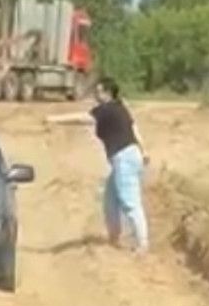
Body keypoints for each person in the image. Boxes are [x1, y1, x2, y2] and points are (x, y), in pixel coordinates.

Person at [45, 77, 149, 252]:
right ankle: (114, 239)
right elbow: (133, 128)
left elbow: (83, 119)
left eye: (99, 91)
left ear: (107, 93)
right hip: (128, 156)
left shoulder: (106, 109)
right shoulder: (120, 106)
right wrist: (144, 149)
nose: (95, 94)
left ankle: (142, 244)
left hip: (123, 158)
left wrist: (54, 119)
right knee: (110, 200)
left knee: (130, 202)